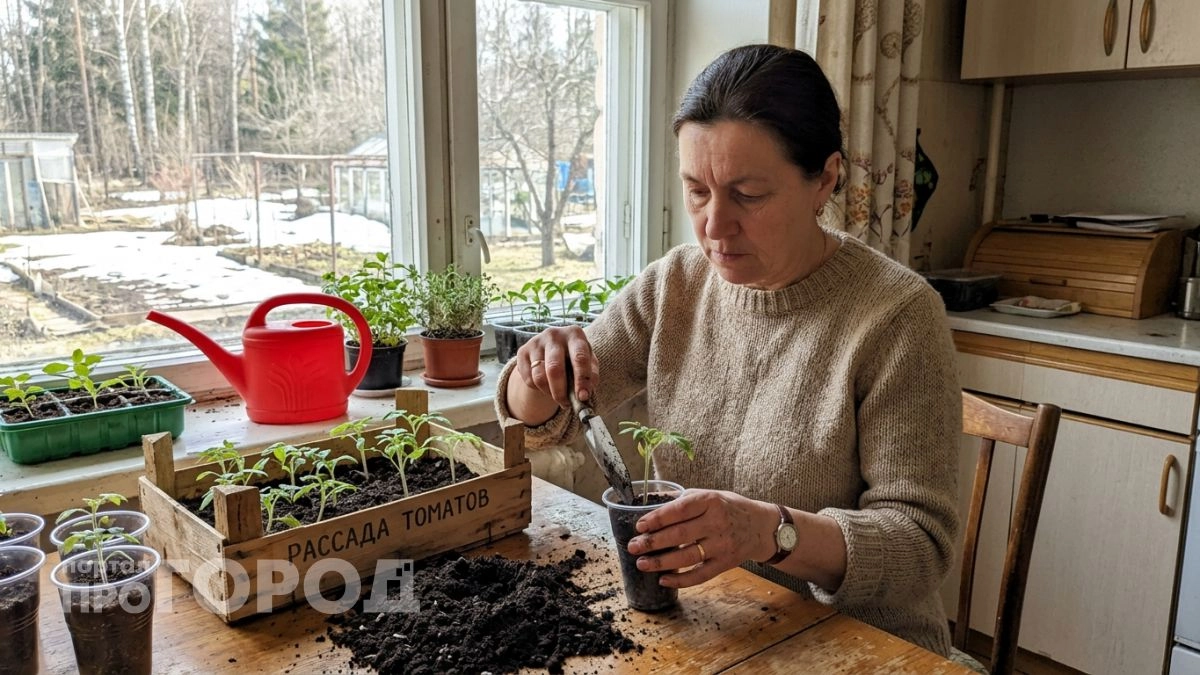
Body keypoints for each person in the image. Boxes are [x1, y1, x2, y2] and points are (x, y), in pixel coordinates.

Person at [494, 43, 960, 656]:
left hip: (865, 647)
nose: (714, 225)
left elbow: (920, 548)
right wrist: (535, 371)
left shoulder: (897, 316)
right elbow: (539, 422)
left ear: (825, 178)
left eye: (748, 194)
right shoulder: (675, 286)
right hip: (717, 631)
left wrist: (769, 532)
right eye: (696, 190)